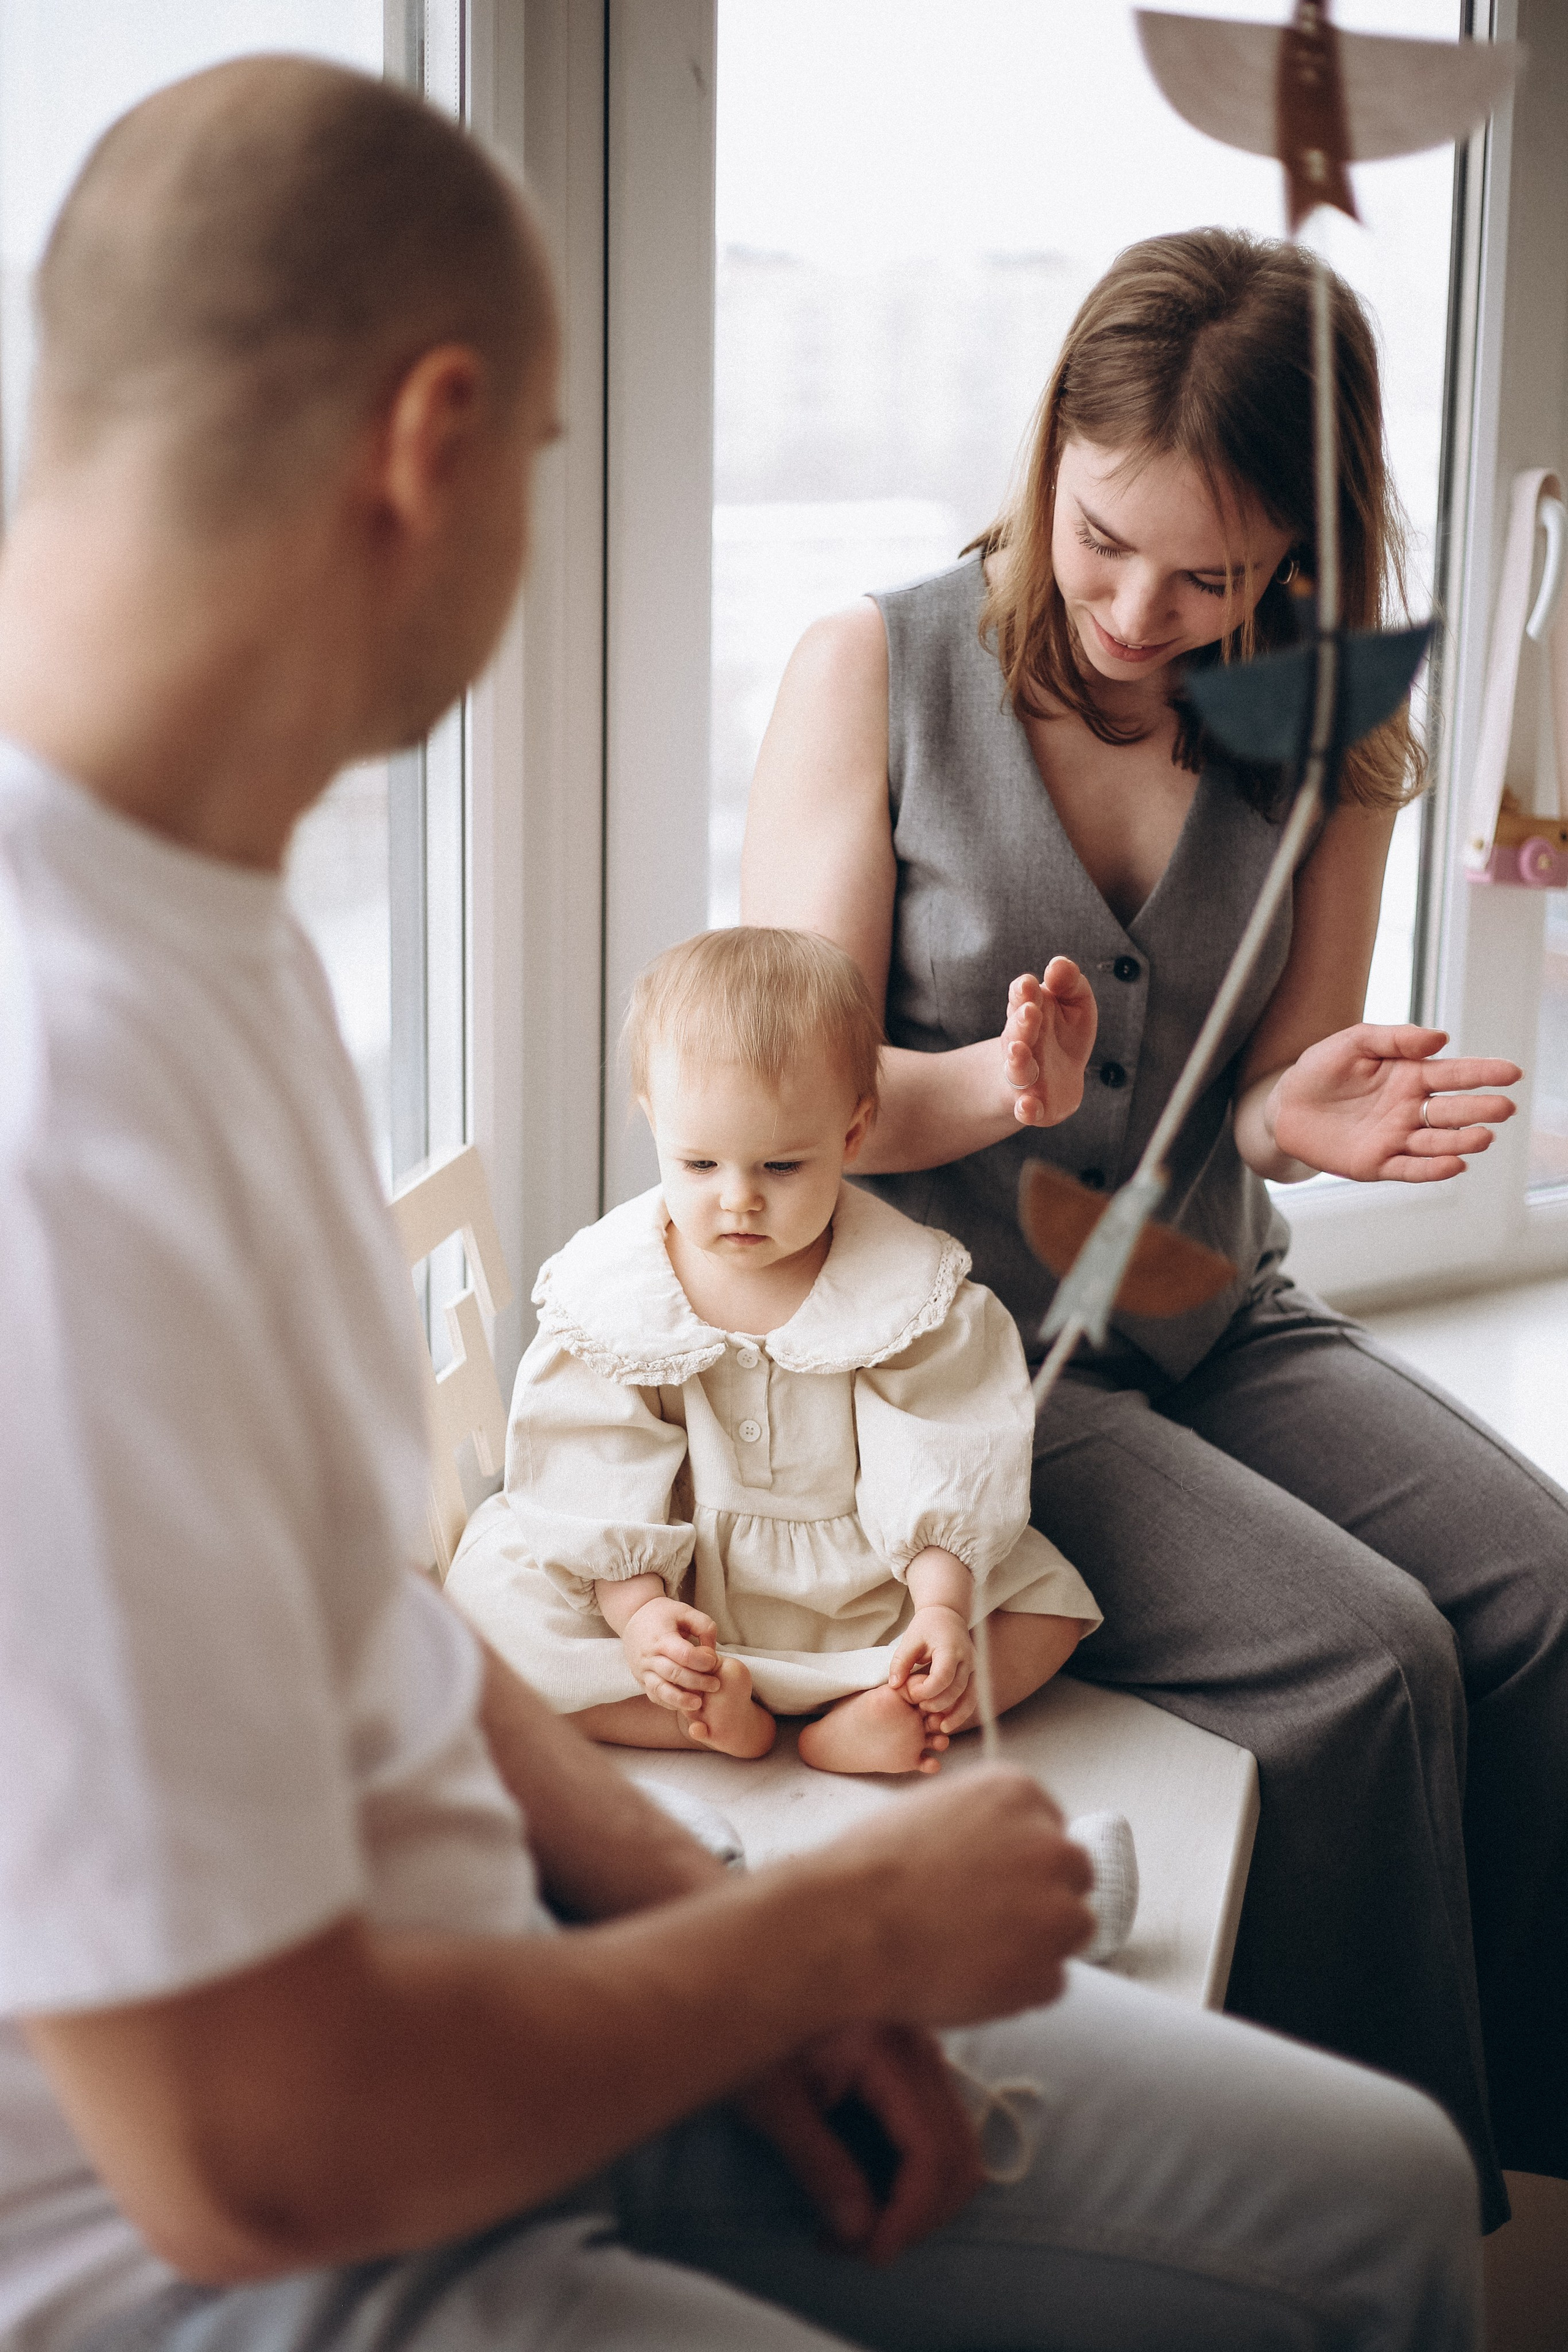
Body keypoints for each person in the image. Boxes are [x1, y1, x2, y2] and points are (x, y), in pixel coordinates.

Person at [0, 67, 1483, 2352]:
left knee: (1385, 2199)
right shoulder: (60, 1100)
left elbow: (373, 1632)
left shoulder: (221, 938)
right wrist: (822, 1941)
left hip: (531, 1969)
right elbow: (255, 2154)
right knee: (1360, 1764)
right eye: (546, 463)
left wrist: (705, 1924)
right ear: (433, 443)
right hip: (313, 2214)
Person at [741, 224, 1568, 2235]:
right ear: (1049, 457)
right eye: (1104, 539)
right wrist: (984, 1091)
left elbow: (1266, 1099)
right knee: (1369, 1666)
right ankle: (1367, 2215)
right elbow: (778, 1105)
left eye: (1211, 578)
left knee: (1545, 1592)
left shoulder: (1337, 733)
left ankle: (1536, 2139)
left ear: (1299, 555)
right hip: (955, 1359)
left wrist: (1304, 1115)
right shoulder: (874, 669)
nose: (1136, 611)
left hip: (1206, 1313)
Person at [446, 925, 1099, 1776]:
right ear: (653, 1121)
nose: (739, 1199)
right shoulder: (612, 1290)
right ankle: (703, 1712)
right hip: (676, 1587)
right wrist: (640, 1616)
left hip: (864, 1589)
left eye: (783, 1167)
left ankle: (877, 1712)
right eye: (699, 1163)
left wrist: (940, 1608)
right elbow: (591, 1461)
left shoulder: (903, 1288)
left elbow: (943, 1449)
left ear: (852, 1134)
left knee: (1046, 1612)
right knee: (487, 1611)